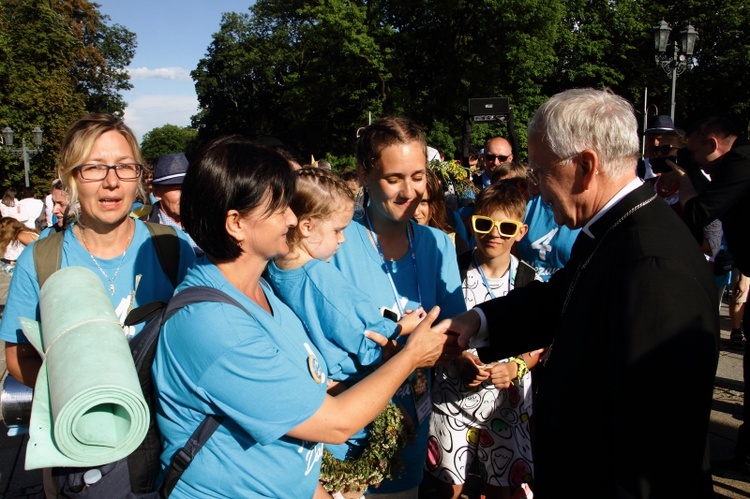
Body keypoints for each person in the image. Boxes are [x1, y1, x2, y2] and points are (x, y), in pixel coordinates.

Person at [440, 88, 719, 498]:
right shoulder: (615, 228)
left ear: (585, 167)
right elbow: (560, 297)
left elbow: (655, 442)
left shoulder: (652, 264)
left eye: (538, 172)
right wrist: (476, 321)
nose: (532, 189)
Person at [151, 136, 459, 498]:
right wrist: (411, 356)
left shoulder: (259, 291)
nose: (294, 218)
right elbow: (335, 424)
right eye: (280, 207)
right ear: (236, 223)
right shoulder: (215, 326)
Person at [0, 113, 196, 390]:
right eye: (94, 167)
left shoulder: (172, 246)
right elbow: (19, 358)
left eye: (125, 167)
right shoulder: (40, 261)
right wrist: (80, 397)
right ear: (71, 177)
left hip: (162, 427)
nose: (112, 181)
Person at [331, 116, 467, 498]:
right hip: (346, 443)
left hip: (410, 436)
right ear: (364, 175)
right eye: (394, 179)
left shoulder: (438, 245)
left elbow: (455, 337)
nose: (411, 192)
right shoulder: (334, 245)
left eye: (418, 176)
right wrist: (405, 354)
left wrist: (414, 353)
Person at [267, 166, 423, 464]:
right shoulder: (323, 279)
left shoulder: (274, 270)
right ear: (307, 227)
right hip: (353, 408)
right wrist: (403, 327)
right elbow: (368, 337)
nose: (342, 240)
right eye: (338, 230)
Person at [427, 183, 541, 499]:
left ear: (521, 232)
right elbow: (436, 326)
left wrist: (516, 366)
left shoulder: (530, 282)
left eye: (506, 227)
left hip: (506, 407)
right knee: (449, 487)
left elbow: (538, 345)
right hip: (453, 400)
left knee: (501, 488)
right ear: (471, 222)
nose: (494, 234)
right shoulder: (452, 273)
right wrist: (457, 357)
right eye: (484, 224)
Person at [675, 116, 750, 478]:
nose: (694, 160)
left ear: (713, 143)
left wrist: (685, 178)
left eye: (693, 152)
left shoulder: (741, 163)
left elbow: (700, 211)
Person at [147, 152, 202, 256]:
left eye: (189, 188)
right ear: (157, 192)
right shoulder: (144, 232)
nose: (186, 195)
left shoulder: (207, 223)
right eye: (178, 189)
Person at [414, 169, 470, 254]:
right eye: (410, 203)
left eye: (424, 202)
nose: (416, 212)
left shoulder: (451, 243)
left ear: (435, 204)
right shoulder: (390, 243)